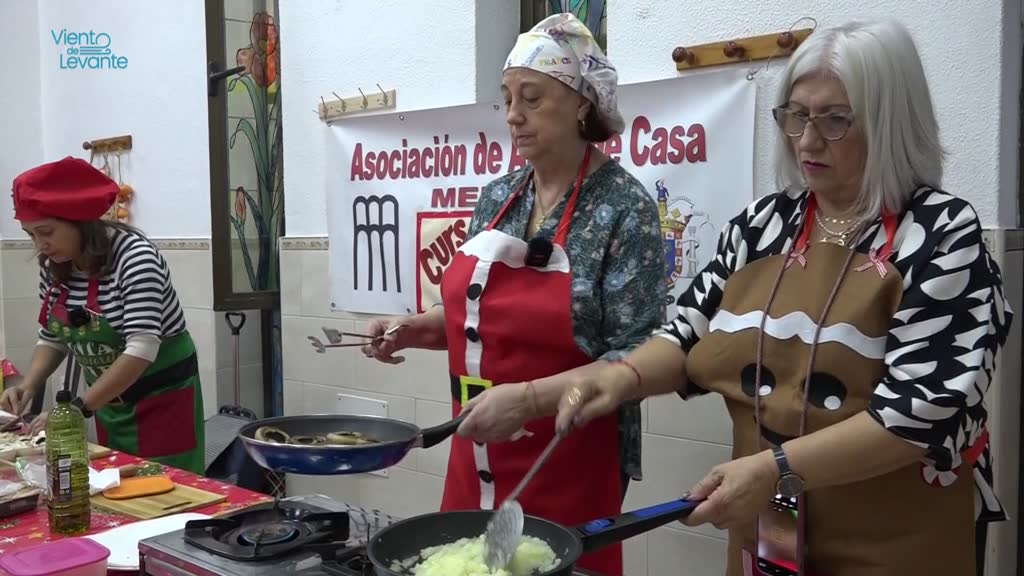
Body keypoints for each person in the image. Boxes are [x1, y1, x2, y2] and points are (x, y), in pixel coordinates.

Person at [552, 19, 1013, 576]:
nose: (807, 140)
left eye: (835, 120)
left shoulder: (941, 235)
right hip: (769, 531)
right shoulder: (763, 226)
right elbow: (687, 334)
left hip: (895, 538)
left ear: (891, 122)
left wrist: (773, 468)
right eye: (796, 115)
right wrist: (620, 378)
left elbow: (918, 413)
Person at [363, 13, 664, 575]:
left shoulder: (623, 207)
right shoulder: (498, 196)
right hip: (473, 444)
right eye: (506, 99)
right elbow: (475, 317)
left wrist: (528, 401)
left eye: (532, 98)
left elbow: (642, 355)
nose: (513, 115)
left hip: (567, 453)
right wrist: (412, 329)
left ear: (582, 104)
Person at [0, 156, 206, 474]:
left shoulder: (135, 258)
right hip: (109, 402)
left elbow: (141, 349)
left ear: (80, 220)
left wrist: (76, 408)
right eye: (31, 235)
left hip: (162, 401)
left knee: (168, 488)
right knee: (116, 483)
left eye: (46, 232)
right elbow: (53, 337)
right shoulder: (55, 267)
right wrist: (28, 386)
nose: (40, 245)